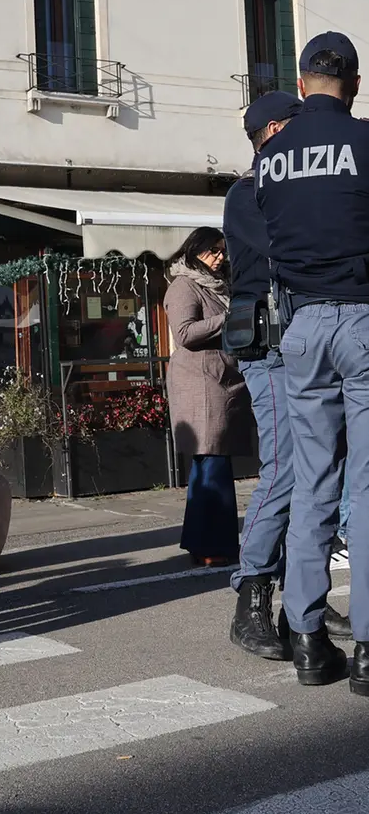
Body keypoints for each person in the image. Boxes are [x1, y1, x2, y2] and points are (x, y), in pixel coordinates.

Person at [256, 31, 369, 691]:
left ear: (301, 86)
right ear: (352, 83)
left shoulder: (272, 156)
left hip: (299, 326)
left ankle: (304, 637)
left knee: (311, 479)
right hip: (361, 314)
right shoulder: (364, 144)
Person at [223, 92, 351, 659]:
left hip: (302, 338)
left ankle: (306, 602)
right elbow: (290, 248)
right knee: (284, 470)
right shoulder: (247, 193)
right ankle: (251, 600)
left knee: (323, 470)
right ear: (274, 129)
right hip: (270, 346)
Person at [165, 227, 255, 566]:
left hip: (219, 382)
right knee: (211, 464)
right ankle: (213, 547)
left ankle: (206, 545)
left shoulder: (214, 285)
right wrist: (228, 317)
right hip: (201, 384)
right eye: (212, 251)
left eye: (222, 251)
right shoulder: (184, 285)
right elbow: (185, 333)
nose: (220, 257)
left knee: (211, 465)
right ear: (194, 251)